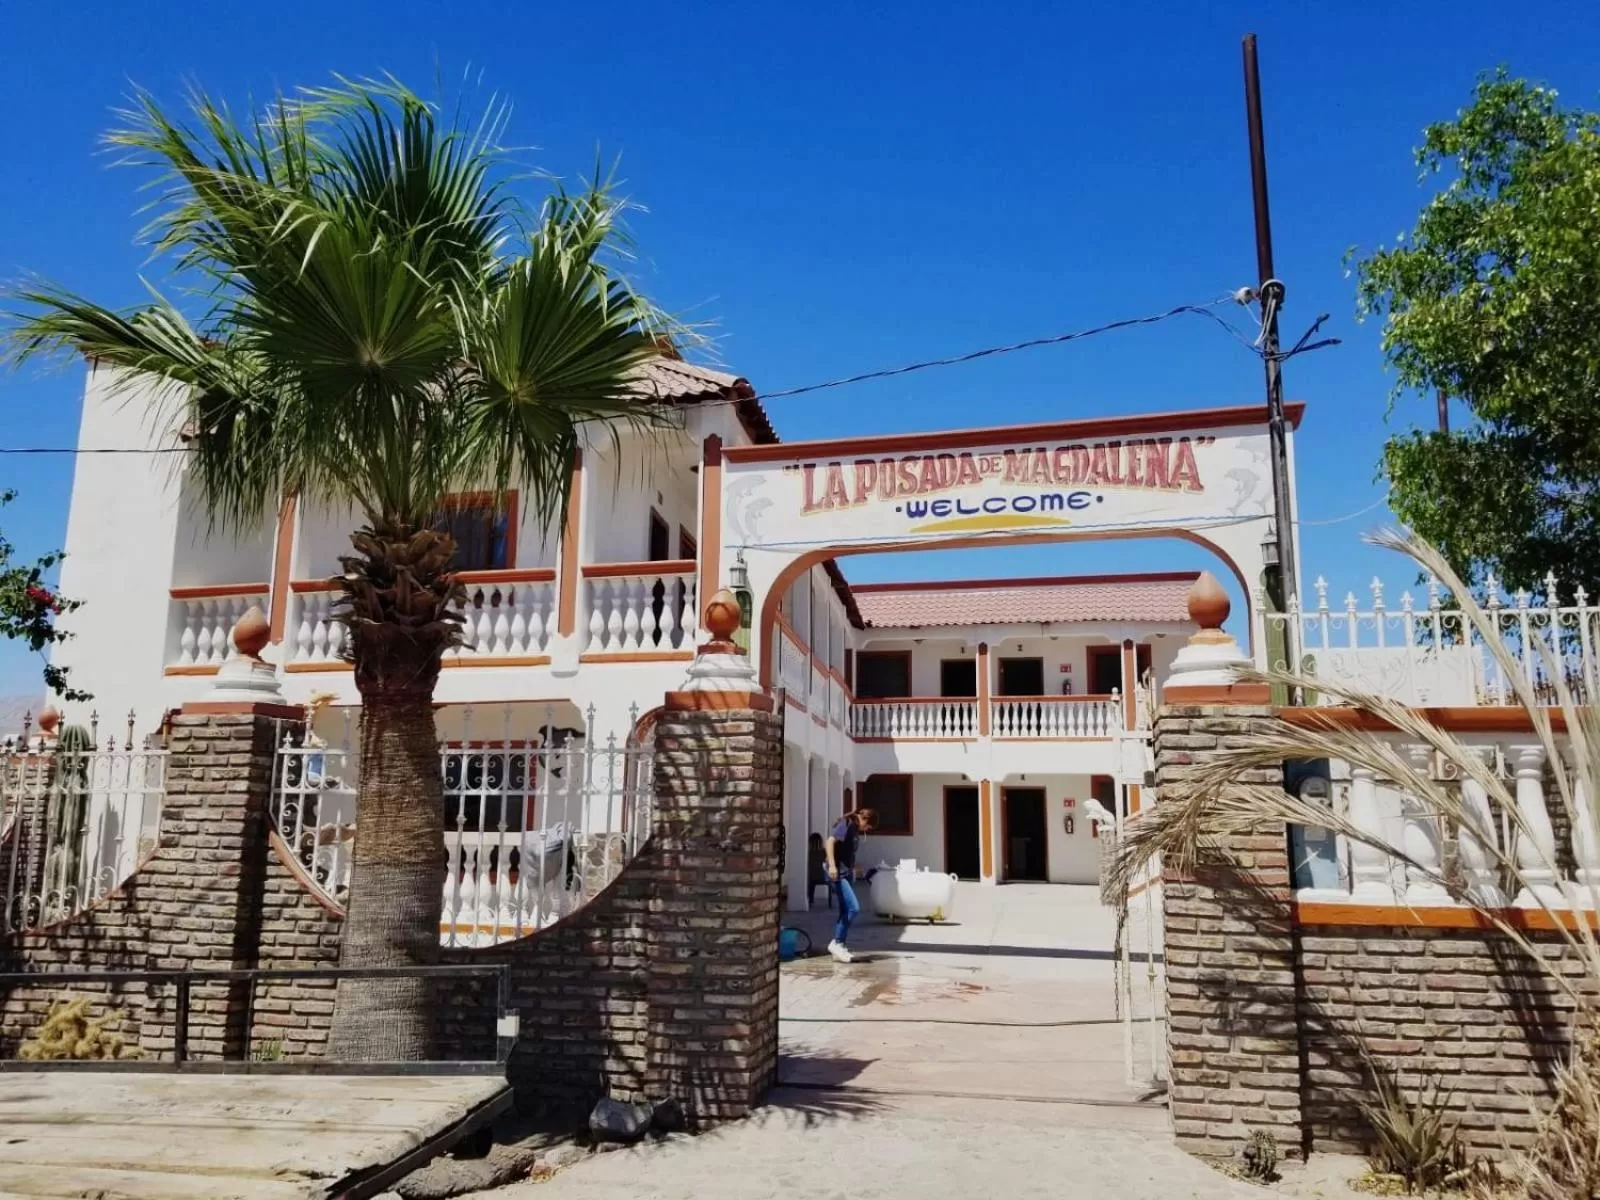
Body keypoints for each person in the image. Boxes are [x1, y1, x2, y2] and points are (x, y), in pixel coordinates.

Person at [822, 807, 876, 963]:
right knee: (853, 907)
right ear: (865, 819)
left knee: (845, 910)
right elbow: (830, 841)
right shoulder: (848, 823)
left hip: (844, 872)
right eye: (869, 827)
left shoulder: (854, 830)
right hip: (836, 872)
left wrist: (855, 867)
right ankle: (836, 943)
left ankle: (840, 945)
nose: (867, 830)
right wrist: (832, 865)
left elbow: (845, 852)